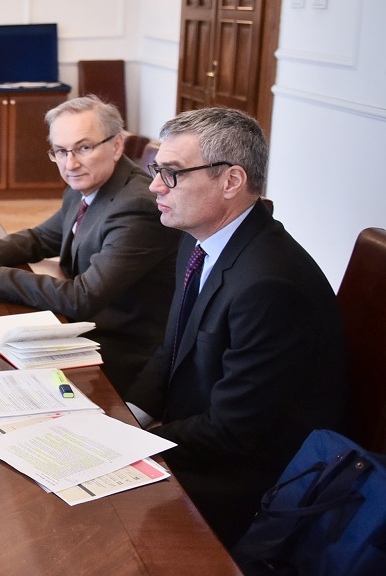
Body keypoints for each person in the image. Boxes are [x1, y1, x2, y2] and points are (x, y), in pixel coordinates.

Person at [125, 107, 346, 546]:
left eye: (172, 173)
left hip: (253, 480)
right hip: (201, 436)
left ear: (231, 181)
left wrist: (132, 442)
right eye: (156, 170)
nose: (155, 186)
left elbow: (233, 431)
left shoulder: (270, 284)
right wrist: (128, 416)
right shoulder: (197, 237)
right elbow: (172, 349)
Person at [0, 96, 180, 393]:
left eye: (84, 148)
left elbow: (83, 297)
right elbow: (44, 237)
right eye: (61, 151)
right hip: (79, 327)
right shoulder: (86, 183)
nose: (70, 164)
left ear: (116, 145)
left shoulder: (136, 206)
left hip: (118, 354)